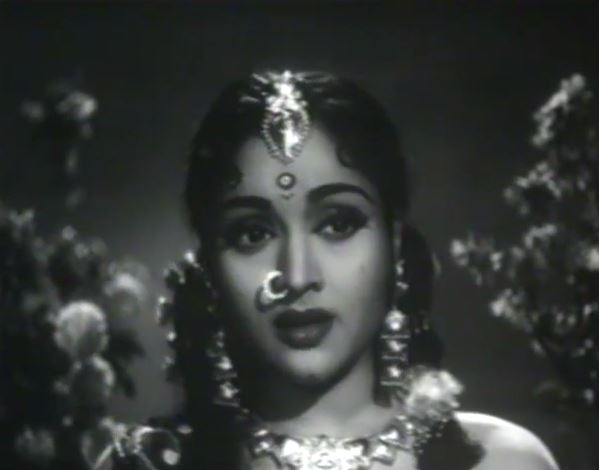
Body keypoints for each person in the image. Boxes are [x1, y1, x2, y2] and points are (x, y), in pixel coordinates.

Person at [114, 70, 561, 470]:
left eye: (338, 224)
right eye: (253, 234)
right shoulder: (148, 463)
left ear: (394, 242)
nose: (297, 276)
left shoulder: (502, 462)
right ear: (209, 263)